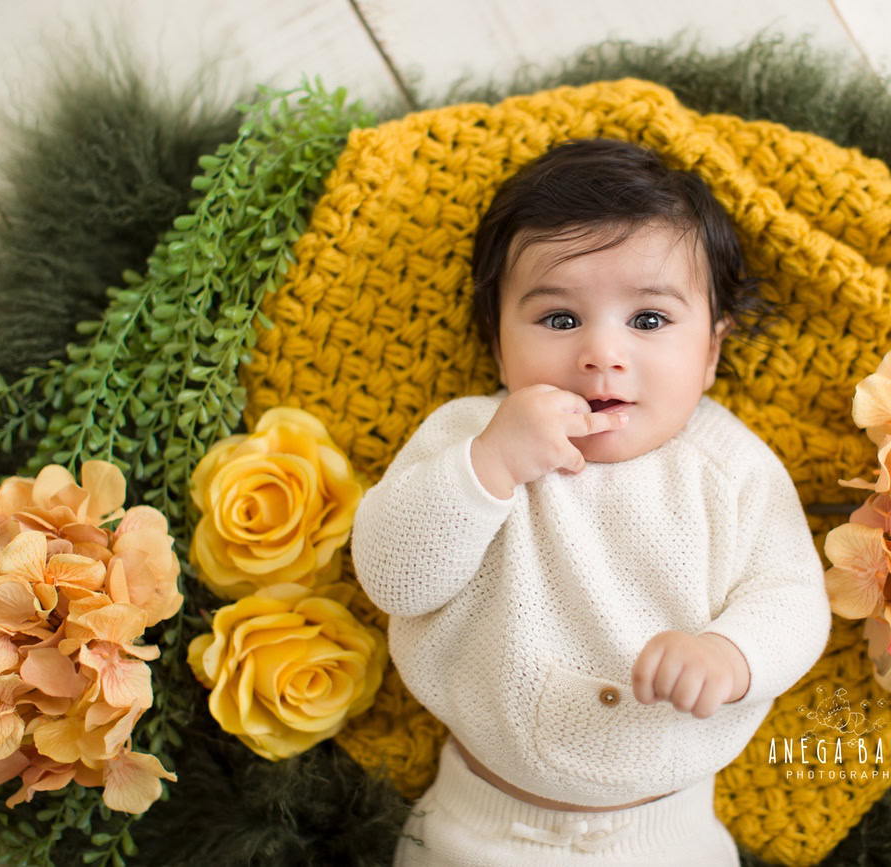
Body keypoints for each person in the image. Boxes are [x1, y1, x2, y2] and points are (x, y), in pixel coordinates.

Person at [351, 137, 832, 866]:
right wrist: (489, 466)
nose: (602, 353)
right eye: (559, 319)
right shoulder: (468, 437)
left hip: (669, 836)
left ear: (710, 353)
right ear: (499, 343)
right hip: (475, 827)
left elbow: (794, 597)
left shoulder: (731, 466)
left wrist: (731, 654)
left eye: (648, 320)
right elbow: (392, 576)